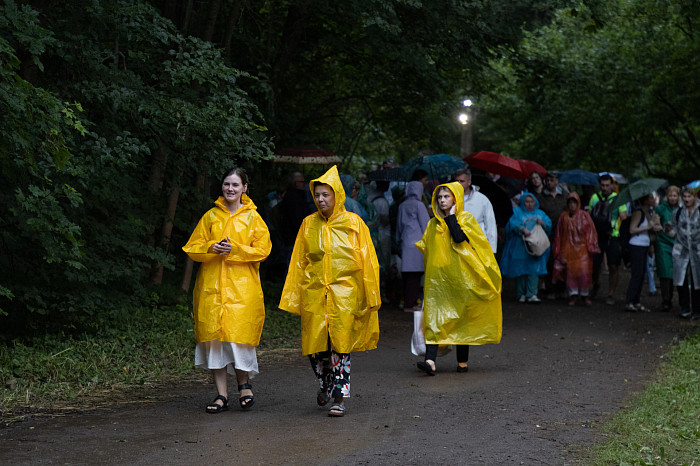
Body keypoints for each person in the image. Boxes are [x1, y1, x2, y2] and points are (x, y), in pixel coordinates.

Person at [279, 165, 381, 417]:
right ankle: (325, 384)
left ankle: (339, 397)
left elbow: (368, 261)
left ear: (337, 195)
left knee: (340, 347)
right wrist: (294, 296)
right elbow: (298, 262)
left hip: (345, 295)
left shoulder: (354, 223)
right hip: (315, 294)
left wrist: (370, 295)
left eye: (326, 194)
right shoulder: (308, 224)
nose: (321, 199)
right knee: (316, 349)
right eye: (317, 195)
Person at [182, 168, 271, 413]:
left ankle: (244, 385)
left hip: (242, 290)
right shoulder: (210, 216)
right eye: (226, 184)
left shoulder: (254, 218)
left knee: (238, 340)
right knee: (214, 343)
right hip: (212, 288)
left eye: (234, 185)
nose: (229, 189)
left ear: (244, 188)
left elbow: (263, 250)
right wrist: (212, 248)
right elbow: (192, 247)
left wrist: (236, 251)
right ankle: (221, 395)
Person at [415, 182, 502, 375]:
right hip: (439, 282)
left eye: (446, 196)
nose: (442, 200)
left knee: (462, 320)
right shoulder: (432, 224)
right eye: (439, 197)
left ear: (455, 198)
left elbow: (460, 239)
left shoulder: (466, 219)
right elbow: (429, 251)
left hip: (462, 280)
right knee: (434, 318)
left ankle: (462, 361)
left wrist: (452, 218)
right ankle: (430, 361)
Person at [500, 191, 552, 303]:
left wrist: (542, 223)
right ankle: (521, 293)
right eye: (526, 201)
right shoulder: (517, 212)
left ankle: (532, 294)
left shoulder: (540, 214)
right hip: (520, 247)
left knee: (534, 270)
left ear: (535, 202)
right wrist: (521, 229)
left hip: (535, 247)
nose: (529, 204)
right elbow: (511, 224)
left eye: (531, 201)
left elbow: (548, 226)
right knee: (520, 270)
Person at [552, 193, 600, 306]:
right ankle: (573, 295)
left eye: (574, 202)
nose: (572, 205)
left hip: (583, 249)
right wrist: (558, 249)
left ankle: (585, 294)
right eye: (570, 203)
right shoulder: (563, 217)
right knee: (571, 273)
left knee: (584, 272)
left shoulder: (584, 216)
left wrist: (591, 245)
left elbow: (591, 231)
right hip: (568, 249)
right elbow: (559, 234)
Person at [589, 174, 628, 305]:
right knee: (594, 266)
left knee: (613, 266)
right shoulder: (595, 198)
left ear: (612, 185)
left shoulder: (618, 199)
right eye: (602, 185)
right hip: (597, 237)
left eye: (607, 185)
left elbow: (623, 217)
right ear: (599, 185)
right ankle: (596, 283)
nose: (605, 188)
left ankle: (611, 293)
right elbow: (589, 216)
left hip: (613, 236)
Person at [624, 194, 662, 312]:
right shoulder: (638, 212)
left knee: (641, 274)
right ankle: (629, 301)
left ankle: (637, 301)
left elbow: (650, 228)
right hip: (636, 245)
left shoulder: (649, 213)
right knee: (637, 274)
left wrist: (655, 226)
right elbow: (632, 229)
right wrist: (648, 227)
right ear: (645, 200)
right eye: (650, 198)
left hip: (644, 245)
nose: (653, 200)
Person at [397, 181, 430, 311]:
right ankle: (410, 304)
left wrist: (399, 240)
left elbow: (399, 226)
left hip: (405, 241)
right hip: (417, 242)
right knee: (415, 275)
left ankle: (405, 301)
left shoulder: (402, 205)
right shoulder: (419, 205)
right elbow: (425, 224)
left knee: (407, 275)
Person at [536, 171, 569, 299]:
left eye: (552, 180)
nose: (549, 183)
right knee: (549, 261)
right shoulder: (541, 197)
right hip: (547, 232)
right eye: (547, 180)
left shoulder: (564, 195)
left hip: (562, 232)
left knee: (562, 259)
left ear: (556, 181)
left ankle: (562, 288)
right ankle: (550, 288)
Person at [452, 168, 498, 253]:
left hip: (478, 245)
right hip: (456, 246)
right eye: (456, 181)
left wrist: (492, 250)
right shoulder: (450, 199)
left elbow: (491, 225)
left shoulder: (482, 199)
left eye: (462, 181)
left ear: (469, 182)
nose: (458, 184)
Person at [672, 187, 700, 320]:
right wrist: (665, 228)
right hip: (681, 249)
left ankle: (697, 309)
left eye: (689, 196)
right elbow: (672, 229)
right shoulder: (678, 212)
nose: (687, 199)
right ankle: (684, 307)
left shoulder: (699, 211)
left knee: (697, 280)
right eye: (685, 197)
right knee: (680, 279)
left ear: (694, 196)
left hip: (698, 250)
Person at [655, 186, 680, 311]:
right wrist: (657, 226)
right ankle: (666, 300)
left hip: (677, 243)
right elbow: (655, 222)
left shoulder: (681, 209)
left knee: (675, 271)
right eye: (671, 195)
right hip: (663, 243)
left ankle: (674, 297)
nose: (673, 198)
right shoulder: (660, 208)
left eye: (675, 196)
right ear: (667, 196)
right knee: (665, 271)